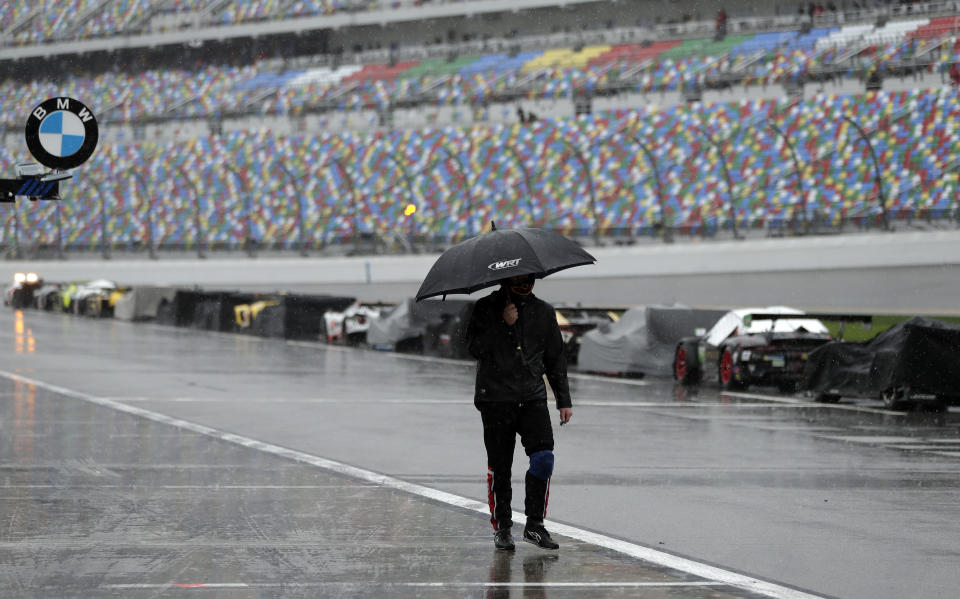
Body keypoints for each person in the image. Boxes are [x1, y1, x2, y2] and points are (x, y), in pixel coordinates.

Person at [466, 273, 573, 551]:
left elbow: (555, 357)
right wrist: (503, 323)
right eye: (519, 280)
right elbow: (473, 348)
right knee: (500, 467)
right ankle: (502, 526)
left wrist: (564, 399)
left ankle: (535, 525)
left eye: (530, 279)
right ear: (505, 279)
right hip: (495, 398)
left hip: (532, 396)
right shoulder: (485, 307)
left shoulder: (544, 311)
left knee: (544, 459)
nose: (525, 285)